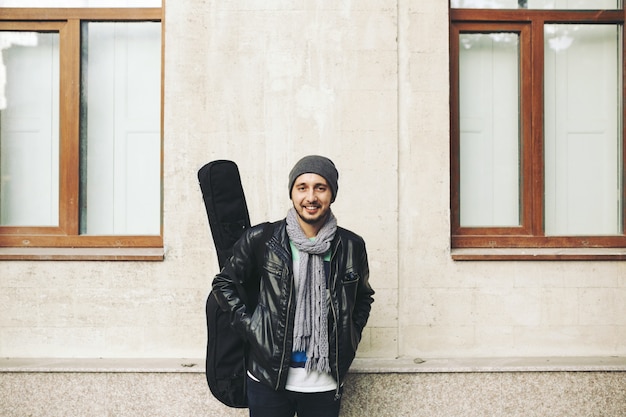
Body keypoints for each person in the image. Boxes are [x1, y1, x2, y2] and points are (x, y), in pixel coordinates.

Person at [212, 155, 375, 417]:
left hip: (324, 383)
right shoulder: (262, 239)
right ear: (292, 193)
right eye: (302, 187)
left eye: (320, 187)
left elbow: (363, 298)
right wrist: (253, 328)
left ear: (331, 194)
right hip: (269, 380)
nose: (311, 197)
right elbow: (224, 284)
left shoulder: (351, 246)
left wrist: (350, 336)